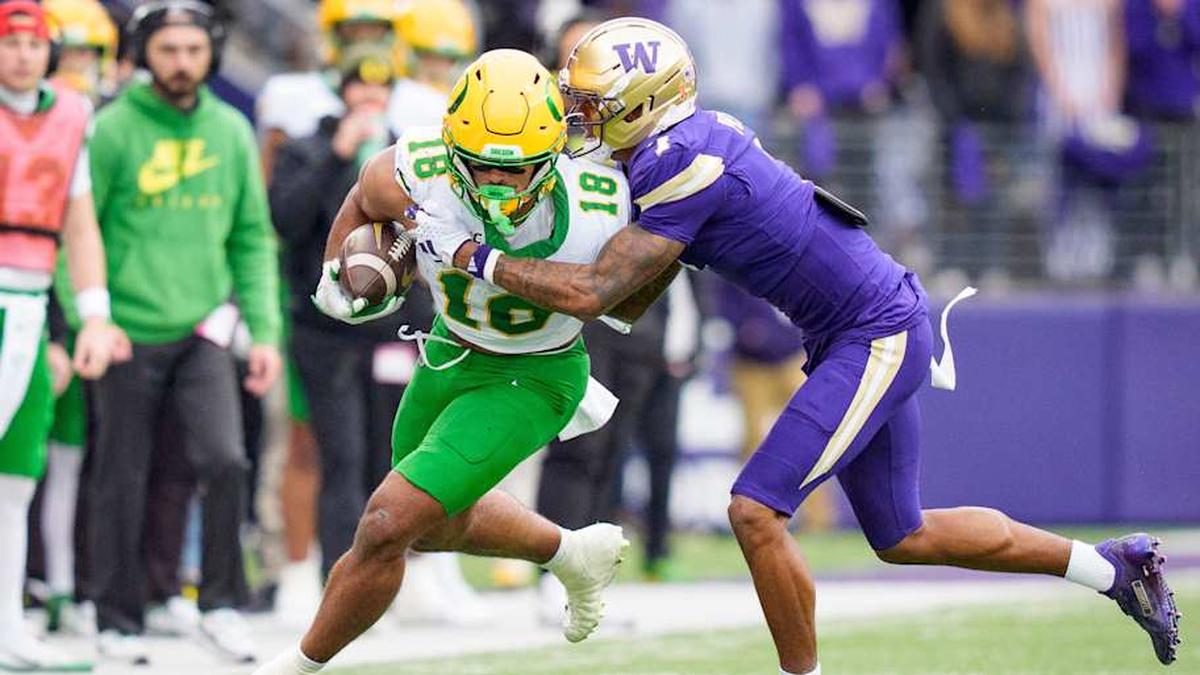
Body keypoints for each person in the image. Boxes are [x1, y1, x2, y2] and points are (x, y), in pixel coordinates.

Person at [417, 17, 1183, 673]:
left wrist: (468, 255)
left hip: (872, 330)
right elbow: (624, 296)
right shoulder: (670, 148)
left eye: (590, 104)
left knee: (754, 510)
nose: (575, 114)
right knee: (904, 534)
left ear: (642, 106)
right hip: (855, 327)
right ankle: (1114, 566)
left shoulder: (676, 159)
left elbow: (596, 291)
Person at [253, 49, 636, 675]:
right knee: (429, 526)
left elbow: (603, 296)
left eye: (517, 172)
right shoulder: (421, 162)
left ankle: (297, 665)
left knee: (384, 521)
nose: (497, 185)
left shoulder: (599, 200)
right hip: (446, 354)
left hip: (533, 373)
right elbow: (367, 193)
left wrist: (472, 255)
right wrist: (335, 272)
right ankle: (568, 552)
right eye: (481, 167)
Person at [85, 0, 282, 665]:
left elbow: (252, 238)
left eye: (194, 50)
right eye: (168, 50)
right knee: (123, 474)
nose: (182, 63)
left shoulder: (230, 130)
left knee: (226, 459)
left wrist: (264, 332)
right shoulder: (110, 129)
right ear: (144, 53)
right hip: (124, 328)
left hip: (203, 327)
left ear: (213, 53)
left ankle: (221, 603)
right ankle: (117, 616)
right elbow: (77, 234)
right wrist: (93, 314)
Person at [0, 1, 127, 669]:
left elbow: (79, 224)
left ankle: (8, 622)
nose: (22, 53)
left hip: (27, 301)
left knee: (19, 471)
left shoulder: (72, 115)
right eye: (9, 41)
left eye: (33, 41)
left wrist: (94, 313)